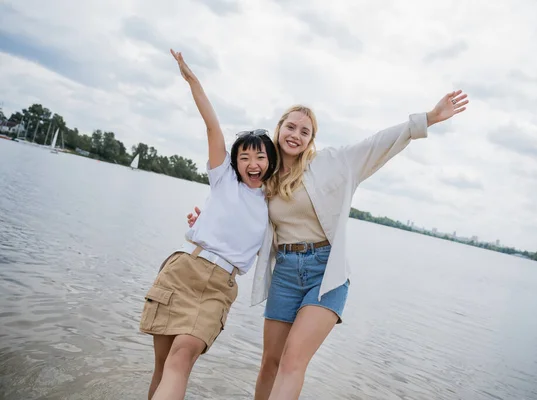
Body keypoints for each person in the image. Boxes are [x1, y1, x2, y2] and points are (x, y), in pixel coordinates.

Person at [187, 90, 469, 399]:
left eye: (304, 131)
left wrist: (427, 118)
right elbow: (236, 204)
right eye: (291, 127)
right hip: (285, 273)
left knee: (293, 361)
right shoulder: (265, 174)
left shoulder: (335, 162)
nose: (296, 134)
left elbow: (377, 143)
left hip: (326, 273)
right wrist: (207, 221)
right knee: (270, 362)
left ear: (311, 139)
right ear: (279, 128)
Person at [139, 49, 278, 400]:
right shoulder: (224, 180)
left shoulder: (275, 203)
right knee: (162, 366)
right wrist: (192, 80)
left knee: (182, 356)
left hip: (219, 287)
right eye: (244, 156)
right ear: (235, 162)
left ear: (270, 162)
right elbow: (212, 125)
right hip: (184, 270)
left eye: (260, 156)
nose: (252, 162)